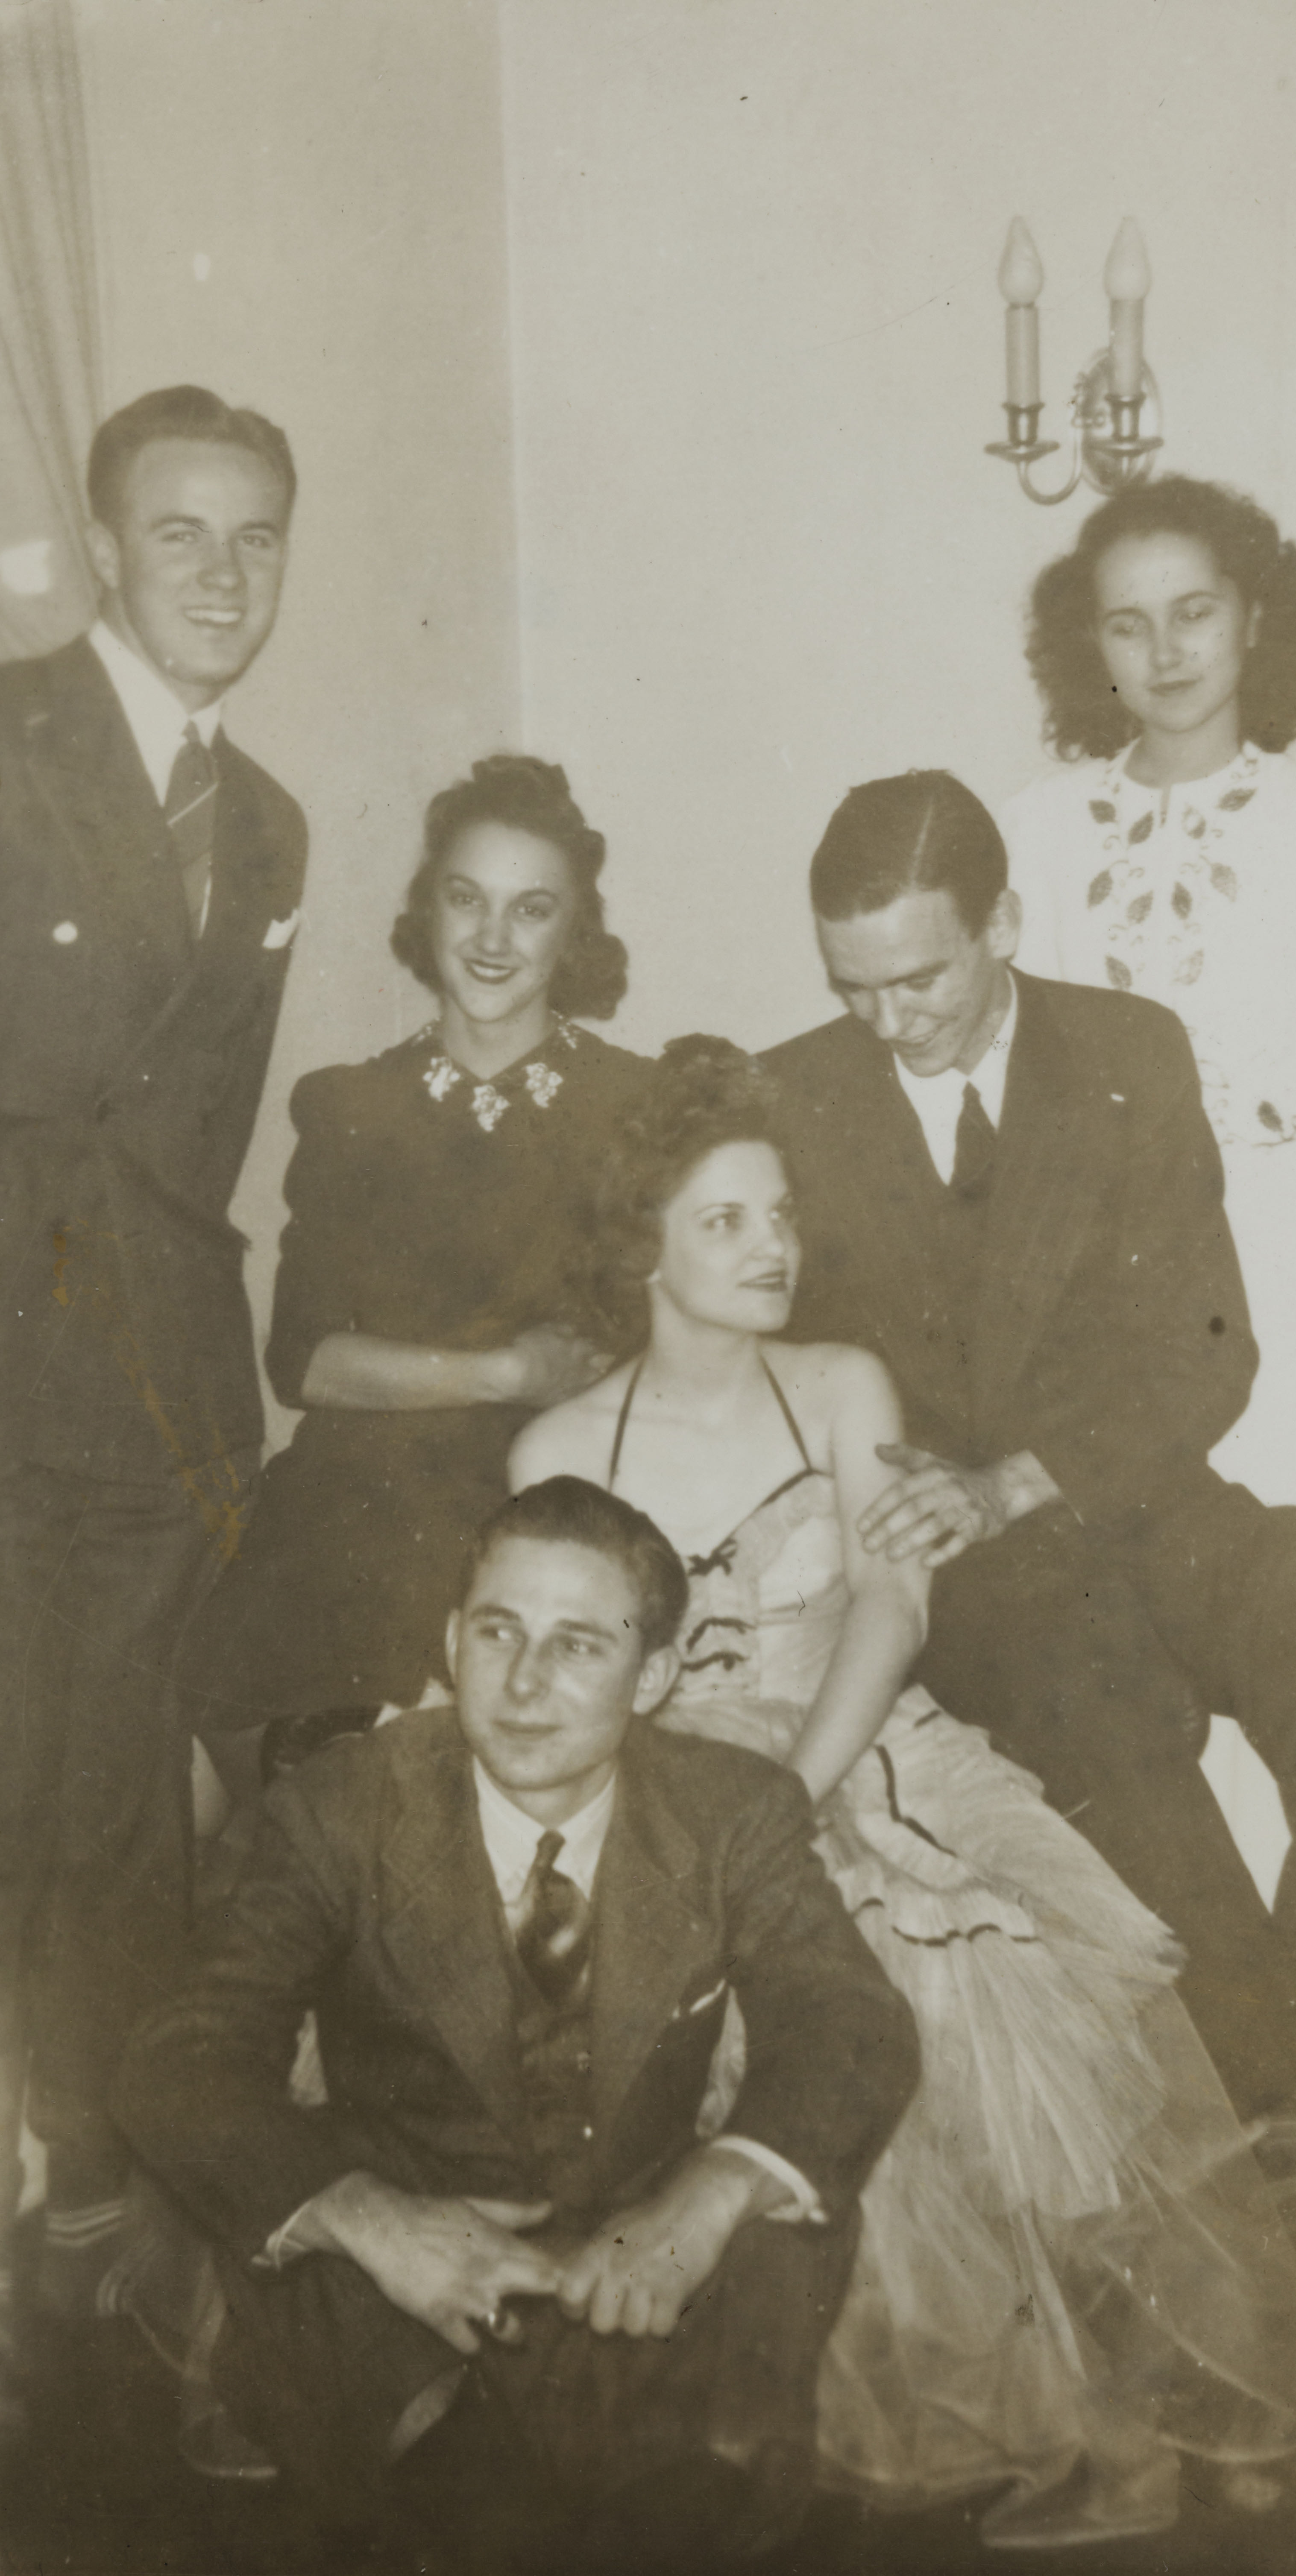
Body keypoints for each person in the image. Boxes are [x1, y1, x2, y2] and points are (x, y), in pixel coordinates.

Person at [510, 1038, 1296, 2545]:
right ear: (646, 1250)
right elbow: (554, 1675)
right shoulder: (563, 1444)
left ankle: (1145, 2412)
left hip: (867, 1748)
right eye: (726, 1222)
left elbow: (894, 1608)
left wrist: (799, 1795)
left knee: (991, 2034)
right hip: (674, 1796)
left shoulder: (836, 1384)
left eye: (781, 1215)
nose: (774, 1248)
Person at [762, 768, 1296, 2312]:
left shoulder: (1127, 1053)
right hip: (964, 1571)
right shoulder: (795, 1099)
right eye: (856, 986)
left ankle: (1286, 2063)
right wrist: (928, 1495)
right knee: (1105, 1712)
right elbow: (786, 1369)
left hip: (1130, 1500)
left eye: (925, 977)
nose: (891, 1021)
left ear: (1006, 923)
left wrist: (1024, 1476)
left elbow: (1206, 1352)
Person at [118, 1477, 918, 2565]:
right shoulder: (344, 1804)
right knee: (471, 2513)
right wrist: (372, 2217)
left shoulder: (735, 1809)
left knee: (760, 2295)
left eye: (583, 1645)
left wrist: (710, 2192)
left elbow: (850, 2023)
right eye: (499, 1632)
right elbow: (181, 2059)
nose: (527, 1682)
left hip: (641, 2256)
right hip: (404, 2278)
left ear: (657, 1676)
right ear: (452, 1642)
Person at [0, 386, 305, 2345]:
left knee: (119, 1800)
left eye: (258, 535)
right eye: (182, 532)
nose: (223, 573)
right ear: (108, 544)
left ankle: (100, 2203)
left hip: (161, 1390)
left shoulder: (266, 818)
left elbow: (193, 1150)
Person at [1002, 477, 1296, 1613]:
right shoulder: (1039, 827)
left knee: (1291, 1593)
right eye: (1126, 624)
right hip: (1108, 1279)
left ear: (1252, 617)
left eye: (1192, 611)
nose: (1164, 650)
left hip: (1283, 1266)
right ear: (1085, 644)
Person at [176, 755, 642, 1749]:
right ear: (428, 910)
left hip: (540, 1503)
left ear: (574, 934)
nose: (490, 937)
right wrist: (506, 1369)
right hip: (356, 1505)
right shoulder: (351, 1106)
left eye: (531, 909)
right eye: (466, 899)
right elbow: (303, 1361)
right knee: (208, 1771)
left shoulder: (635, 1109)